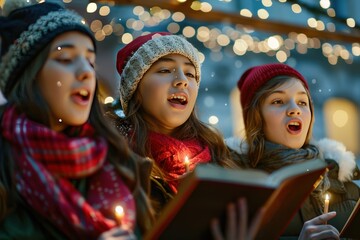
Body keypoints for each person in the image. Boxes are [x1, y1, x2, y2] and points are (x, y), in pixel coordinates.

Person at [0, 1, 154, 239]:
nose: (86, 72)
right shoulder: (5, 165)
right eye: (65, 59)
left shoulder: (121, 163)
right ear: (28, 75)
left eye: (90, 61)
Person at [107, 31, 264, 239]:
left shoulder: (224, 158)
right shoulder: (114, 161)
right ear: (135, 88)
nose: (182, 81)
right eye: (164, 70)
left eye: (190, 74)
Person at [226, 63, 360, 239]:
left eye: (302, 102)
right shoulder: (235, 192)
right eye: (278, 101)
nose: (295, 109)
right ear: (256, 118)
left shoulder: (346, 186)